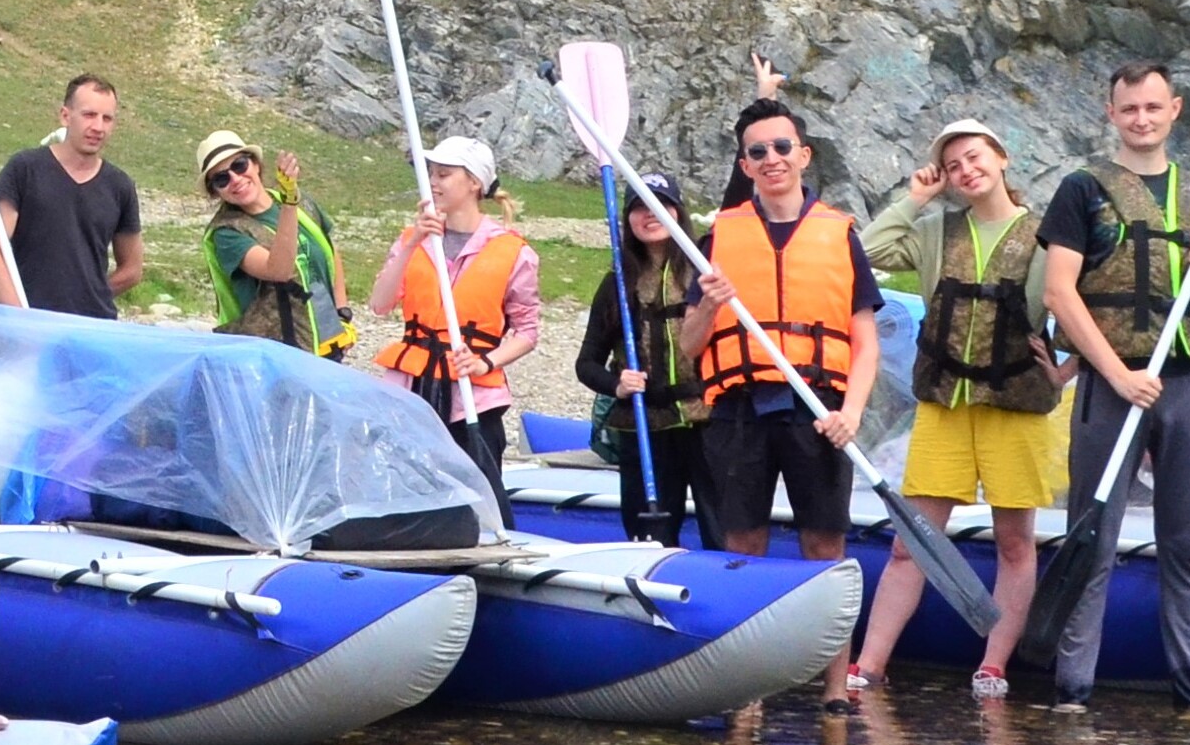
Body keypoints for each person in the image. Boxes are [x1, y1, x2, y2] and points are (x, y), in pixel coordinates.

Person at [1028, 61, 1190, 713]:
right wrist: (1117, 374)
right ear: (1111, 114)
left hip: (1188, 386)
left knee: (1184, 546)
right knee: (1093, 540)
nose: (1141, 119)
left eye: (1152, 108)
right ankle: (1072, 690)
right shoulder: (1081, 191)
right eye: (1129, 109)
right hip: (1113, 383)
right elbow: (1057, 292)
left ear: (1173, 110)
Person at [856, 116, 1061, 703]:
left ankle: (993, 665)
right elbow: (864, 252)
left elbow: (1076, 299)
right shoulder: (933, 231)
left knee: (1015, 544)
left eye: (974, 157)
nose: (965, 171)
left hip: (1015, 406)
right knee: (911, 543)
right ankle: (870, 666)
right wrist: (915, 197)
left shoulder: (1046, 234)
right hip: (946, 405)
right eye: (952, 167)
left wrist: (1069, 369)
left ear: (1002, 158)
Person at [684, 99, 882, 567]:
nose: (771, 158)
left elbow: (866, 343)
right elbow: (689, 345)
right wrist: (710, 305)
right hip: (739, 412)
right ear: (745, 166)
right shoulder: (717, 239)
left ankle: (832, 642)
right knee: (742, 545)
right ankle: (748, 639)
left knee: (823, 546)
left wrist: (851, 414)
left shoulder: (840, 235)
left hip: (818, 409)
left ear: (803, 155)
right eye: (757, 151)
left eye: (781, 146)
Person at [365, 135, 542, 488]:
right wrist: (413, 241)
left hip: (472, 396)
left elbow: (527, 332)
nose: (432, 182)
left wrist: (485, 362)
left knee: (478, 489)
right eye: (431, 173)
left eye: (443, 174)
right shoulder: (411, 239)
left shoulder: (514, 252)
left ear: (474, 183)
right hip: (413, 390)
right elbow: (379, 304)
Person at [574, 183, 707, 545]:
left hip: (707, 423)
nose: (650, 214)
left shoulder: (704, 272)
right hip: (643, 427)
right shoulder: (617, 284)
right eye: (639, 207)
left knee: (720, 526)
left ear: (679, 212)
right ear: (627, 219)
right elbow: (586, 363)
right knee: (648, 535)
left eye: (662, 204)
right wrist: (616, 385)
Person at [0, 74, 143, 316]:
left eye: (107, 118)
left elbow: (133, 269)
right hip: (31, 322)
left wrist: (92, 296)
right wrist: (19, 314)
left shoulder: (120, 186)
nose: (98, 127)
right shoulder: (25, 168)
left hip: (94, 328)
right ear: (65, 115)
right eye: (89, 115)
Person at [196, 131, 346, 352]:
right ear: (215, 192)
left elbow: (330, 252)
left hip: (327, 341)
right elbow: (279, 270)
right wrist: (289, 204)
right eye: (221, 179)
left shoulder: (303, 203)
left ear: (255, 164)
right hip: (276, 353)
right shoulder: (226, 234)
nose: (235, 179)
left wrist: (343, 313)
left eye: (239, 165)